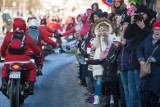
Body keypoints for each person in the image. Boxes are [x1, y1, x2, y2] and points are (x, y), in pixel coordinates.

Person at [0, 18, 41, 94]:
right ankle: (31, 85)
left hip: (9, 61)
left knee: (5, 68)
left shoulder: (9, 35)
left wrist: (3, 56)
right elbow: (35, 48)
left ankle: (4, 82)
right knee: (33, 67)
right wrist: (38, 55)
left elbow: (2, 48)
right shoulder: (27, 37)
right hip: (24, 61)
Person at [137, 21, 160, 107]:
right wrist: (141, 58)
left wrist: (155, 59)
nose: (157, 31)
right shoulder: (148, 39)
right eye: (155, 29)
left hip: (157, 78)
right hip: (146, 76)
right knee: (144, 101)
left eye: (159, 29)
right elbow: (139, 49)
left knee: (155, 103)